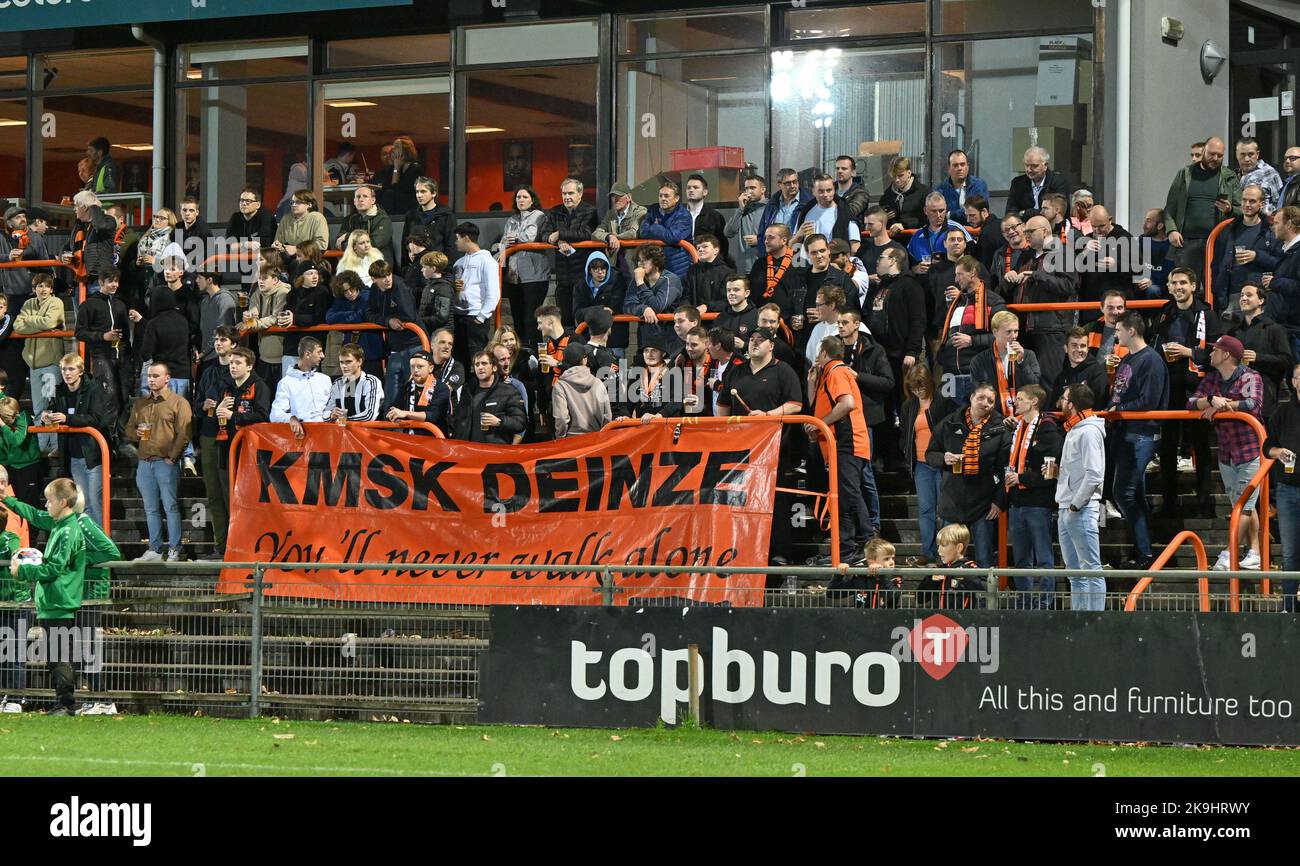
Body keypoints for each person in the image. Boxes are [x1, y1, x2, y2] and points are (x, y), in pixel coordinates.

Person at [716, 327, 804, 573]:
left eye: (759, 340)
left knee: (775, 500)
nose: (753, 344)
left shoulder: (783, 371)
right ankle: (741, 549)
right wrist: (725, 432)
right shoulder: (737, 371)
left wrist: (767, 416)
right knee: (739, 499)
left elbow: (795, 405)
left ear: (771, 345)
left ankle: (780, 552)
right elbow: (723, 405)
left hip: (775, 447)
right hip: (740, 448)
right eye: (751, 340)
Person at [1188, 335, 1265, 570]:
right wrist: (1211, 400)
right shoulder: (1212, 379)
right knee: (1242, 505)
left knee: (1244, 505)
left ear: (1226, 355)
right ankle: (1255, 552)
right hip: (1227, 453)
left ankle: (1229, 553)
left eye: (1215, 351)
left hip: (1250, 449)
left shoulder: (1250, 376)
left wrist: (1223, 406)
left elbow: (1253, 404)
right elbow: (1191, 402)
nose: (1210, 354)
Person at [11, 477, 86, 715]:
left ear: (62, 502)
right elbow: (33, 514)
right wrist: (7, 500)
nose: (46, 505)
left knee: (60, 656)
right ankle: (61, 703)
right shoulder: (59, 525)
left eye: (49, 500)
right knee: (55, 656)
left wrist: (23, 570)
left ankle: (66, 704)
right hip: (54, 602)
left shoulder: (67, 531)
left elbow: (53, 569)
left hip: (60, 602)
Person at [1154, 267, 1224, 518]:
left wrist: (1189, 353)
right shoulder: (1165, 312)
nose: (1178, 287)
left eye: (1183, 282)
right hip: (1170, 387)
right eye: (1174, 283)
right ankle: (1169, 503)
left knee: (1199, 446)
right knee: (1168, 446)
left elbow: (1219, 354)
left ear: (1194, 285)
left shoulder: (1207, 314)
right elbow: (1155, 343)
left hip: (1198, 387)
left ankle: (1204, 503)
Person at [1107, 311, 1169, 568]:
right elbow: (1120, 393)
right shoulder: (1128, 359)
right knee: (1133, 494)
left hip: (1141, 432)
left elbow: (1149, 400)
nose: (1116, 334)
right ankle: (1143, 551)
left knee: (1124, 492)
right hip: (1125, 431)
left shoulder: (1151, 360)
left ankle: (1145, 554)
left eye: (1119, 329)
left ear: (1131, 331)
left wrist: (1117, 410)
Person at [926, 383, 1009, 568]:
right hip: (953, 500)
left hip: (983, 505)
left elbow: (1006, 469)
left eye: (990, 401)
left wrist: (998, 501)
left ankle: (983, 598)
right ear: (971, 398)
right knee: (948, 557)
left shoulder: (1000, 429)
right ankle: (950, 596)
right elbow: (930, 454)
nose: (985, 403)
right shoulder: (949, 423)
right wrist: (943, 458)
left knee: (984, 560)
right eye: (981, 397)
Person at [805, 335, 873, 564]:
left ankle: (866, 543)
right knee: (843, 497)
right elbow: (818, 405)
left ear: (824, 354)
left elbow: (847, 404)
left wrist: (822, 423)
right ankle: (846, 549)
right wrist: (811, 383)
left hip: (848, 442)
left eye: (818, 353)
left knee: (849, 495)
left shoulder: (836, 372)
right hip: (839, 444)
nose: (816, 358)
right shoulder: (828, 374)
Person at [1003, 384, 1063, 609]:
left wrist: (1022, 478)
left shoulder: (1047, 428)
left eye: (1020, 398)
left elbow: (1050, 471)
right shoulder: (1018, 427)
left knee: (1043, 557)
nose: (1015, 402)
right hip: (1017, 502)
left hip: (1038, 503)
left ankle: (1045, 603)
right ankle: (1025, 603)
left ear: (1033, 402)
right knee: (1021, 559)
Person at [126, 363, 192, 563]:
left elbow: (184, 433)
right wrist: (135, 434)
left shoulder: (179, 403)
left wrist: (172, 457)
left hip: (166, 463)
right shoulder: (141, 403)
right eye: (149, 376)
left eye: (156, 376)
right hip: (145, 462)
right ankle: (155, 548)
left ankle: (174, 548)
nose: (151, 379)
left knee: (170, 506)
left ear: (167, 378)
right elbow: (129, 429)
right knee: (150, 508)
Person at [836, 308, 893, 536]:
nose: (840, 326)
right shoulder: (835, 348)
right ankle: (855, 525)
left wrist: (858, 376)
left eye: (845, 322)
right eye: (838, 322)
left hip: (864, 419)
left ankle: (874, 523)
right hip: (842, 419)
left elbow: (888, 382)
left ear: (857, 325)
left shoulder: (873, 349)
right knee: (848, 476)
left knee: (865, 472)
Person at [1002, 215, 1077, 387]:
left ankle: (1049, 414)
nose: (1025, 234)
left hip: (1052, 326)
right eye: (1025, 230)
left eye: (1030, 231)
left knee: (1049, 378)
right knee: (1025, 377)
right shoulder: (1025, 255)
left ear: (1044, 231)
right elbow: (1008, 288)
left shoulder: (1063, 251)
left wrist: (1036, 275)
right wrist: (1009, 277)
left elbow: (1067, 286)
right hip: (1025, 325)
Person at [1057, 382, 1107, 611]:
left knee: (1090, 570)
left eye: (1065, 398)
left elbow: (1094, 474)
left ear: (1073, 404)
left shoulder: (1087, 431)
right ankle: (1078, 617)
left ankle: (1095, 622)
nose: (1061, 401)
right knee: (1075, 572)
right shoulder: (1075, 429)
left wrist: (1076, 505)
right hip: (1067, 507)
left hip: (1081, 509)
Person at [47, 353, 112, 528]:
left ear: (81, 371)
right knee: (84, 504)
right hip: (73, 455)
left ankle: (103, 544)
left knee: (95, 501)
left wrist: (67, 418)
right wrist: (48, 416)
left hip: (92, 455)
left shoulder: (94, 389)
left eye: (71, 369)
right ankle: (90, 542)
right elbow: (54, 411)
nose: (67, 373)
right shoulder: (60, 390)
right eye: (63, 369)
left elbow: (96, 418)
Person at [899, 364, 952, 567]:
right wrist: (906, 453)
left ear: (929, 384)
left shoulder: (942, 402)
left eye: (921, 387)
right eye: (914, 388)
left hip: (940, 464)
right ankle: (928, 552)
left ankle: (945, 554)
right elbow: (906, 434)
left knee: (944, 510)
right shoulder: (909, 406)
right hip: (921, 464)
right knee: (925, 509)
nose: (918, 392)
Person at [934, 256, 1005, 406]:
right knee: (952, 420)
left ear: (972, 273)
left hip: (978, 376)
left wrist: (972, 341)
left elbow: (1004, 338)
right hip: (951, 374)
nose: (956, 279)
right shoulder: (956, 303)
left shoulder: (994, 302)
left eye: (959, 274)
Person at [1164, 136, 1241, 273]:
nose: (1215, 158)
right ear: (1204, 151)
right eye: (1212, 154)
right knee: (1186, 286)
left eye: (1220, 155)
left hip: (1217, 242)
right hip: (1186, 242)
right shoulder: (1185, 174)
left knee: (1214, 288)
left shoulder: (1229, 176)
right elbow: (1170, 207)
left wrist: (1230, 210)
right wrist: (1171, 230)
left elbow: (1241, 210)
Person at [74, 267, 131, 438]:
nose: (115, 284)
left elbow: (127, 336)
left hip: (122, 355)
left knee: (124, 397)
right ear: (101, 283)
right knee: (109, 398)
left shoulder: (120, 304)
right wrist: (102, 336)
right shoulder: (88, 305)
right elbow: (79, 333)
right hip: (101, 356)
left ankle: (123, 439)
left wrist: (130, 357)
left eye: (116, 281)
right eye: (111, 281)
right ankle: (107, 440)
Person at [194, 327, 235, 559]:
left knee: (230, 493)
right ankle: (223, 546)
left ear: (234, 344)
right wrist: (204, 406)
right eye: (216, 340)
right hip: (209, 434)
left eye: (223, 340)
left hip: (231, 436)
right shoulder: (208, 371)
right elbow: (197, 403)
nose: (218, 344)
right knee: (214, 493)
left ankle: (236, 543)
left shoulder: (238, 371)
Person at [1263, 364, 1300, 612]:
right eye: (1298, 377)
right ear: (1293, 382)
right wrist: (1279, 452)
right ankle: (1288, 605)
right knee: (1289, 553)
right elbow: (1267, 446)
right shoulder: (1282, 412)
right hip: (1288, 490)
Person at [494, 186, 551, 345]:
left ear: (532, 200)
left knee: (531, 320)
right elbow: (503, 242)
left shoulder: (539, 216)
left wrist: (516, 239)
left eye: (525, 197)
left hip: (534, 276)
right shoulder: (511, 220)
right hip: (514, 276)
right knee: (517, 317)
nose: (521, 200)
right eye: (518, 197)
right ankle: (520, 357)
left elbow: (531, 236)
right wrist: (508, 243)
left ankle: (536, 357)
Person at [15, 274, 64, 454]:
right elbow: (17, 325)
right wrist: (38, 324)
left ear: (51, 289)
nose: (42, 289)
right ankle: (43, 446)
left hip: (51, 363)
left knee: (52, 405)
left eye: (46, 286)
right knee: (38, 408)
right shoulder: (28, 304)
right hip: (33, 365)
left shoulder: (56, 302)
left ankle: (56, 446)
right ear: (34, 288)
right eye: (39, 286)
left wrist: (29, 321)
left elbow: (49, 321)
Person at [1227, 283, 1292, 417]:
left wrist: (1258, 357)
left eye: (1249, 295)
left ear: (1261, 300)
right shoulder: (1233, 331)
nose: (1243, 298)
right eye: (1242, 295)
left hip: (1264, 399)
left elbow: (1286, 361)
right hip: (1234, 397)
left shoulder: (1274, 329)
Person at [365, 257, 420, 413]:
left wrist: (389, 319)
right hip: (395, 347)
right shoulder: (375, 290)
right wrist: (387, 321)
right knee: (392, 392)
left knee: (412, 391)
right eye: (382, 277)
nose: (387, 279)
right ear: (374, 279)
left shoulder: (400, 287)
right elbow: (369, 313)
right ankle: (391, 431)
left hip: (414, 344)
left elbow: (409, 316)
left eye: (388, 274)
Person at [968, 310, 1040, 419]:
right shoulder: (979, 361)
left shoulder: (1028, 355)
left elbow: (1034, 388)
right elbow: (979, 395)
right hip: (992, 419)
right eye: (1009, 332)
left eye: (1016, 331)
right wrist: (1000, 420)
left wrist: (1022, 362)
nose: (1014, 336)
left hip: (1024, 417)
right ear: (995, 332)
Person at [547, 178, 599, 328]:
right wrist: (559, 241)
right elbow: (545, 235)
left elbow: (587, 233)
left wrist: (560, 234)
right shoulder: (554, 212)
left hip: (583, 276)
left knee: (584, 322)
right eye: (564, 193)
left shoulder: (590, 211)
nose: (566, 197)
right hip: (563, 278)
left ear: (580, 193)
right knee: (565, 322)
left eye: (570, 193)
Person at [450, 221, 500, 366]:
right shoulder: (458, 262)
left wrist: (481, 317)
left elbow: (493, 293)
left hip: (475, 318)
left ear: (466, 238)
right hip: (458, 317)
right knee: (459, 360)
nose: (455, 242)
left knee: (477, 360)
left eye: (458, 238)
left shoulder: (487, 261)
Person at [1077, 205, 1134, 326]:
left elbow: (1138, 268)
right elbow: (1076, 268)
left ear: (1110, 220)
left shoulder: (1125, 238)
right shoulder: (1087, 240)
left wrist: (1116, 265)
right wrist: (1085, 251)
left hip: (1117, 304)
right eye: (1094, 226)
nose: (1097, 230)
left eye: (1101, 226)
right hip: (1091, 305)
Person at [455, 349, 527, 444]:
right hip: (471, 451)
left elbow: (520, 422)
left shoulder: (508, 391)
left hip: (497, 452)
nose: (480, 367)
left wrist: (499, 421)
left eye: (484, 363)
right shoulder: (468, 391)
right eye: (477, 365)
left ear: (494, 368)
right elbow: (458, 420)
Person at [215, 348, 271, 469]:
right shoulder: (227, 385)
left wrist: (233, 416)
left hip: (250, 447)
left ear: (249, 366)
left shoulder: (260, 386)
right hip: (226, 445)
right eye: (231, 363)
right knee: (226, 485)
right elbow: (219, 415)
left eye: (238, 363)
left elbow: (263, 416)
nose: (233, 367)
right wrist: (218, 409)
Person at [625, 244, 683, 351]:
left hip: (669, 337)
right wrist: (643, 309)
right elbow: (627, 305)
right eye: (638, 260)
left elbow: (657, 306)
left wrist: (640, 283)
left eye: (645, 260)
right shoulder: (638, 280)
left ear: (656, 261)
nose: (640, 264)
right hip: (646, 338)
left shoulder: (670, 279)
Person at [269, 336, 330, 437]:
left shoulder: (325, 379)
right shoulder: (286, 383)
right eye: (319, 352)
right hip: (303, 438)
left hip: (327, 436)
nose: (323, 356)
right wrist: (290, 418)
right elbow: (275, 414)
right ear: (307, 354)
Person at [916, 523, 983, 610]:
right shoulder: (938, 570)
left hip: (962, 621)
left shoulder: (970, 568)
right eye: (938, 546)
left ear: (959, 548)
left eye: (943, 546)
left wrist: (967, 578)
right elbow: (920, 599)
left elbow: (985, 589)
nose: (939, 550)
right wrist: (931, 580)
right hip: (937, 621)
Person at [551, 341, 611, 438]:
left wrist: (560, 438)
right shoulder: (598, 383)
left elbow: (561, 418)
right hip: (596, 441)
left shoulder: (560, 386)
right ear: (584, 360)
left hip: (571, 443)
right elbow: (607, 416)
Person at [747, 223, 806, 323]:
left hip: (788, 323)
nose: (766, 241)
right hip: (762, 322)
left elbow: (802, 295)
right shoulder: (759, 264)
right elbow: (752, 295)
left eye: (771, 238)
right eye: (765, 237)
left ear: (784, 240)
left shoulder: (799, 263)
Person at [574, 250, 628, 355]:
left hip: (615, 339)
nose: (600, 272)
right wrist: (600, 310)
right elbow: (577, 313)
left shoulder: (618, 281)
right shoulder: (580, 286)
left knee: (619, 369)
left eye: (603, 268)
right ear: (589, 270)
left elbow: (620, 303)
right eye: (596, 269)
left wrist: (592, 312)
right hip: (590, 340)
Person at [385, 350, 451, 436]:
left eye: (420, 366)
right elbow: (392, 408)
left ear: (431, 368)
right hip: (410, 440)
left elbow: (433, 416)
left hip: (435, 441)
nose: (415, 370)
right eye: (412, 366)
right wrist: (394, 415)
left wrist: (405, 413)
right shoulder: (406, 387)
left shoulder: (441, 388)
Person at [795, 174, 861, 259]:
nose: (825, 194)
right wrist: (798, 235)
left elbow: (855, 247)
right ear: (813, 191)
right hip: (807, 266)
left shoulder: (845, 213)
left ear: (834, 190)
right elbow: (794, 243)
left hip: (834, 266)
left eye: (829, 190)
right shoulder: (805, 212)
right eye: (821, 191)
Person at [638, 180, 694, 280]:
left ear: (676, 198)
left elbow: (672, 237)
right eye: (660, 196)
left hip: (678, 267)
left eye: (667, 196)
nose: (663, 199)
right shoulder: (653, 209)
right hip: (655, 265)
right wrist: (663, 232)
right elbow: (643, 232)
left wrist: (655, 227)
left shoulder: (684, 215)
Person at [1265, 205, 1300, 363]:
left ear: (1289, 224)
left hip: (1295, 330)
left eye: (1277, 223)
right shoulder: (1288, 251)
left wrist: (1275, 282)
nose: (1273, 227)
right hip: (1286, 326)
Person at [401, 177, 457, 266]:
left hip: (438, 269)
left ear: (433, 193)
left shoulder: (446, 216)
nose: (419, 195)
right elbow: (405, 243)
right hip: (416, 268)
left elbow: (451, 245)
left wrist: (446, 268)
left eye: (423, 191)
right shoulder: (411, 216)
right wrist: (405, 269)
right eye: (417, 191)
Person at [1006, 146, 1071, 221]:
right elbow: (1010, 213)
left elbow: (1058, 212)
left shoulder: (1058, 182)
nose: (1029, 170)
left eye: (1034, 166)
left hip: (1053, 228)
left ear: (1045, 165)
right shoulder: (1017, 183)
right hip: (1025, 228)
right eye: (1027, 165)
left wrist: (1024, 212)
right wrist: (1041, 212)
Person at [1052, 326, 1111, 410]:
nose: (1079, 350)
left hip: (1089, 422)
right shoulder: (1061, 376)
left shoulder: (1097, 373)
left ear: (1087, 349)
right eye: (1074, 345)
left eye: (1082, 346)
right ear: (1066, 348)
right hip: (1065, 422)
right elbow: (1054, 406)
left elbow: (1100, 405)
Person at [592, 183, 646, 270]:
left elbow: (633, 233)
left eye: (619, 196)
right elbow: (595, 234)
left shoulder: (640, 211)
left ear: (628, 197)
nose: (615, 200)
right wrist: (609, 236)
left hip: (632, 261)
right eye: (613, 196)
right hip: (614, 260)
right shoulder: (610, 214)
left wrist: (614, 237)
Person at [906, 192, 970, 265]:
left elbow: (972, 251)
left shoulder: (956, 228)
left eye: (941, 210)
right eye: (934, 211)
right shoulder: (918, 235)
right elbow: (909, 262)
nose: (938, 215)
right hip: (925, 275)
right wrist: (915, 269)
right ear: (925, 210)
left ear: (946, 209)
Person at [328, 342, 384, 423]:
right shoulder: (337, 383)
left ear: (359, 362)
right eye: (341, 362)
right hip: (343, 432)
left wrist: (342, 420)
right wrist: (331, 415)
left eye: (348, 362)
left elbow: (370, 415)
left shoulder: (371, 382)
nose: (344, 366)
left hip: (368, 433)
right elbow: (326, 413)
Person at [194, 270, 234, 383]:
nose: (196, 281)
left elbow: (223, 330)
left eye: (199, 278)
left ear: (210, 280)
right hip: (205, 357)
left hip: (219, 357)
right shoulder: (205, 301)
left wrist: (203, 352)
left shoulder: (224, 299)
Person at [0, 397, 40, 509]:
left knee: (30, 503)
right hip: (12, 466)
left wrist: (3, 425)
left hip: (28, 466)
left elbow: (17, 440)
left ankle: (34, 527)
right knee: (16, 503)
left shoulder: (22, 417)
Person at [337, 186, 393, 263]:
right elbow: (340, 243)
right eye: (358, 197)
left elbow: (375, 243)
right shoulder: (349, 220)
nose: (361, 199)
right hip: (354, 263)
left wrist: (349, 236)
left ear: (373, 200)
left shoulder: (383, 219)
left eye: (365, 196)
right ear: (354, 201)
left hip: (379, 265)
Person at [682, 174, 730, 265]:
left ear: (705, 192)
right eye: (688, 188)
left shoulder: (715, 216)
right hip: (682, 264)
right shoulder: (678, 215)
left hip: (707, 265)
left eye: (695, 187)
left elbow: (723, 245)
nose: (691, 190)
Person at [726, 174, 768, 277]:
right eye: (746, 188)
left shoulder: (771, 208)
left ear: (763, 190)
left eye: (752, 188)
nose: (748, 191)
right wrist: (740, 209)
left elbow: (780, 236)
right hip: (744, 268)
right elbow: (728, 232)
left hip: (765, 267)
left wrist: (759, 240)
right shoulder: (743, 209)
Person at [936, 149, 990, 225]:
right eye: (955, 165)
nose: (959, 168)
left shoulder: (979, 185)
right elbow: (937, 214)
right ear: (949, 168)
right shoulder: (940, 190)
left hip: (976, 232)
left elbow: (977, 210)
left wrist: (949, 215)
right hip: (949, 233)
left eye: (962, 164)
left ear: (967, 166)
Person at [273, 190, 328, 261]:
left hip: (311, 260)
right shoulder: (286, 219)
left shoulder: (317, 217)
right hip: (288, 259)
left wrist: (297, 249)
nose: (294, 205)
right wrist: (277, 245)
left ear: (309, 204)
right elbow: (278, 241)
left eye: (298, 202)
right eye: (292, 202)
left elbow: (321, 244)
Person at [758, 168, 812, 239]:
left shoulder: (808, 203)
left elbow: (810, 233)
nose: (792, 186)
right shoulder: (772, 205)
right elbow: (762, 233)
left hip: (797, 248)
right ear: (779, 184)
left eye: (795, 181)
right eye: (788, 183)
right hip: (775, 249)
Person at [683, 234, 730, 314]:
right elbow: (686, 296)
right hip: (693, 319)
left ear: (716, 250)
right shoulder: (691, 270)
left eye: (705, 246)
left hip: (717, 320)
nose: (700, 250)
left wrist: (707, 307)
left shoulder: (727, 272)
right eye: (698, 248)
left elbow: (727, 300)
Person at [1236, 137, 1283, 213]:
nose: (1247, 159)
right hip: (1240, 221)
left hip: (1264, 222)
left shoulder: (1269, 172)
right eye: (1242, 154)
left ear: (1257, 154)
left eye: (1251, 154)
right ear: (1237, 155)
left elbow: (1280, 203)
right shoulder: (1233, 175)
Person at [881, 157, 928, 232]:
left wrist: (904, 225)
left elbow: (927, 219)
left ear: (909, 173)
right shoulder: (887, 195)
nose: (897, 180)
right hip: (894, 240)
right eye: (893, 176)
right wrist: (883, 218)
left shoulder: (924, 192)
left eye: (900, 176)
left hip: (916, 239)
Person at [416, 251, 454, 342]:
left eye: (424, 267)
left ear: (433, 268)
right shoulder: (428, 286)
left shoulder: (444, 288)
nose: (422, 270)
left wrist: (419, 320)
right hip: (431, 331)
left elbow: (442, 317)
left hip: (441, 334)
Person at [713, 274, 758, 353]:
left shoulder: (757, 317)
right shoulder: (720, 318)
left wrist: (744, 345)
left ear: (746, 293)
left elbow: (765, 346)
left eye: (736, 290)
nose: (731, 293)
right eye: (728, 290)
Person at [378, 136, 421, 216]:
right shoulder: (392, 168)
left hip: (408, 208)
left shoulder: (414, 168)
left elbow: (400, 189)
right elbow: (387, 188)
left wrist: (396, 168)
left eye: (397, 146)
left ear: (406, 150)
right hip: (393, 209)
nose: (393, 149)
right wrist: (396, 168)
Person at [225, 186, 277, 251]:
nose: (244, 203)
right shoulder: (235, 218)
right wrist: (245, 244)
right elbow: (229, 245)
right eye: (241, 200)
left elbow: (264, 245)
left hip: (261, 258)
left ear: (258, 205)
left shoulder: (266, 218)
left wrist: (239, 245)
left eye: (248, 201)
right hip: (239, 258)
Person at [832, 154, 871, 222]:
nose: (840, 171)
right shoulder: (829, 190)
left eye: (844, 168)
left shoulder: (861, 193)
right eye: (837, 168)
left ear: (853, 173)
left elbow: (850, 213)